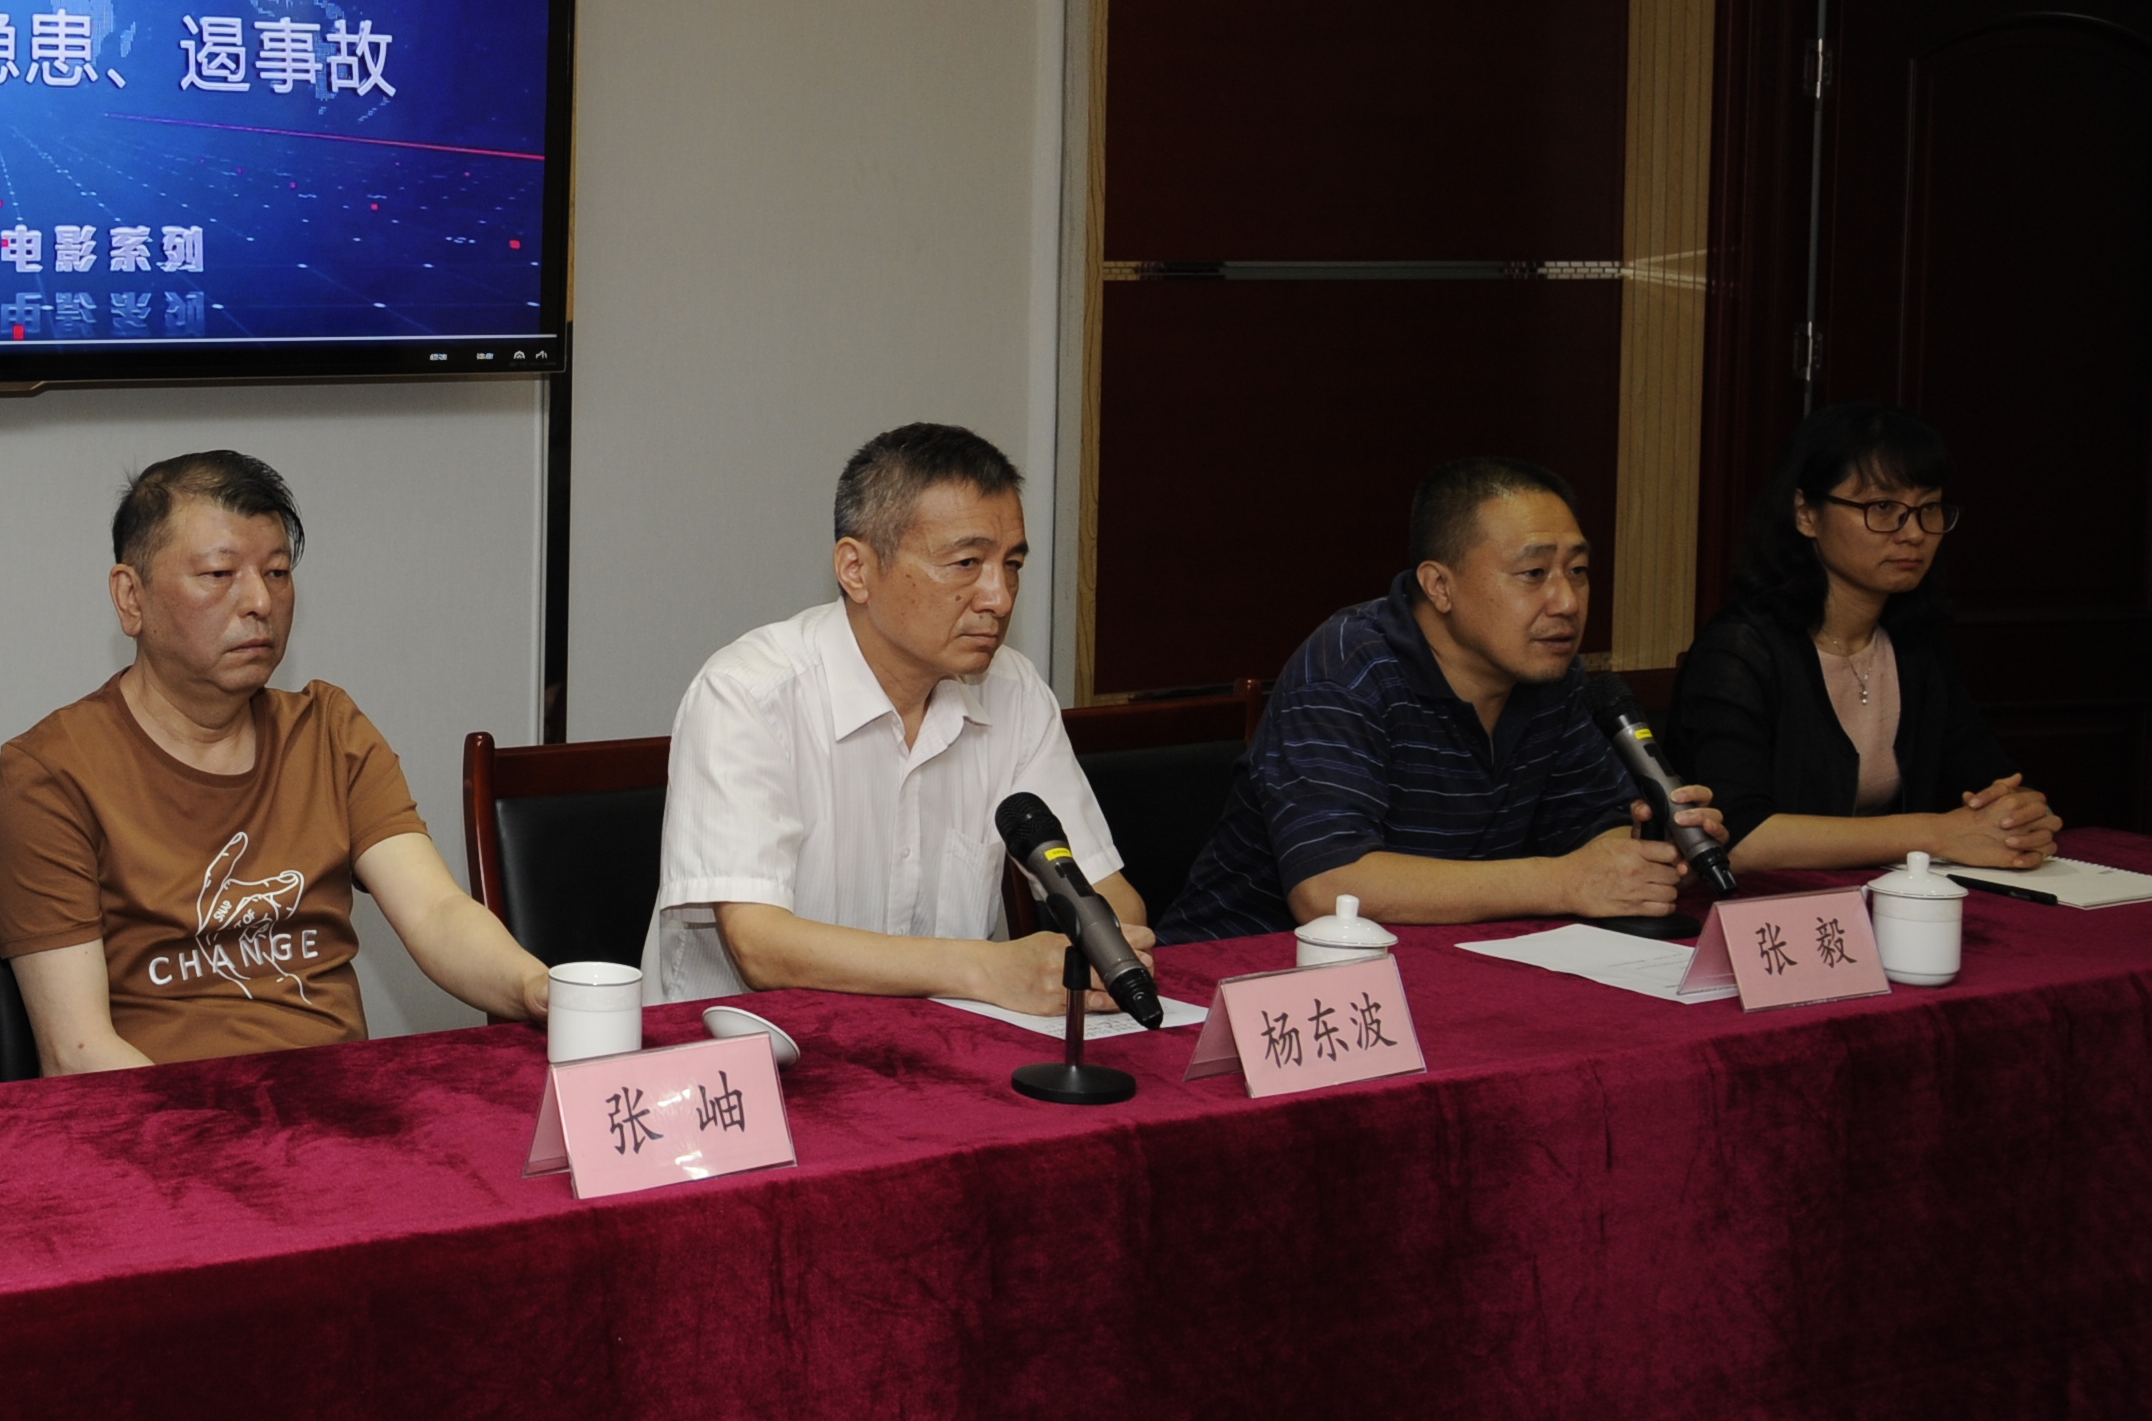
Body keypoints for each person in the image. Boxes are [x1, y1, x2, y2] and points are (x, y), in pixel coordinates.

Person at [0, 450, 550, 1068]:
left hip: (332, 1099)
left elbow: (437, 913)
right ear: (131, 597)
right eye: (219, 573)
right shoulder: (53, 771)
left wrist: (539, 988)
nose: (259, 600)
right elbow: (77, 1050)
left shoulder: (329, 732)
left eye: (277, 572)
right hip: (163, 1108)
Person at [642, 423, 1153, 1013]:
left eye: (1011, 564)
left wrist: (1104, 943)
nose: (1000, 597)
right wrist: (987, 967)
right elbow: (760, 946)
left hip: (933, 1046)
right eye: (966, 562)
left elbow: (1113, 900)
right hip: (744, 1050)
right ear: (856, 569)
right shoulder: (748, 694)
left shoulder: (1013, 693)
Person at [1163, 456, 1711, 942]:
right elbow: (1329, 887)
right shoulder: (1345, 669)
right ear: (1439, 586)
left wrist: (1648, 852)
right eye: (1533, 573)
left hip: (1439, 967)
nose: (1566, 601)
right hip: (1241, 977)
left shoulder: (1555, 678)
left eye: (1578, 571)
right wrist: (1567, 881)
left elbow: (1589, 831)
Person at [1670, 404, 2057, 874]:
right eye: (1883, 508)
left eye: (1928, 508)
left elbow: (1990, 776)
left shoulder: (1916, 645)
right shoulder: (1738, 650)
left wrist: (2020, 814)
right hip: (1765, 904)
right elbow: (1740, 836)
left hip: (1880, 896)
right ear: (1806, 514)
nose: (1913, 533)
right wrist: (1936, 833)